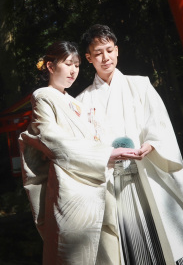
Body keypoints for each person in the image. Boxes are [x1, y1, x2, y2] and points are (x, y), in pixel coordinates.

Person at [76, 24, 183, 265]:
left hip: (150, 173)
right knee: (134, 247)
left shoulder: (140, 85)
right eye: (98, 53)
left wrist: (153, 144)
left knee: (171, 237)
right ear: (88, 58)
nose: (105, 58)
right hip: (115, 184)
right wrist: (105, 156)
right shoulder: (82, 101)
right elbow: (83, 147)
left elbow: (160, 125)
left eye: (109, 50)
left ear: (117, 51)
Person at [19, 41, 140, 265]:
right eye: (67, 64)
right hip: (69, 187)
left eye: (76, 65)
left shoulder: (77, 103)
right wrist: (105, 155)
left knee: (108, 252)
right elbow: (53, 141)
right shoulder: (43, 96)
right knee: (74, 255)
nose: (74, 70)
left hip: (95, 182)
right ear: (50, 66)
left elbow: (93, 138)